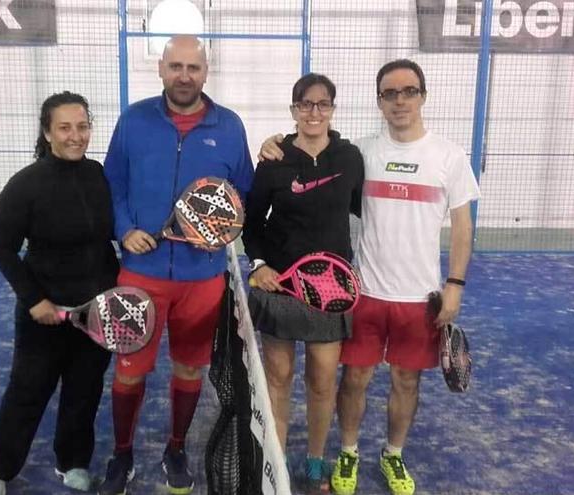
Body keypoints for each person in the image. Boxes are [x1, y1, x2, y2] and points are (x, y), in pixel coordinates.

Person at [259, 59, 480, 495]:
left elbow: (462, 226)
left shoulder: (449, 156)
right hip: (363, 291)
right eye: (390, 93)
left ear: (423, 96)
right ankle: (348, 452)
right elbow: (318, 168)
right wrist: (274, 143)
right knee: (354, 379)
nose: (399, 101)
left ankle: (393, 454)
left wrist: (455, 284)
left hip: (421, 296)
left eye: (408, 91)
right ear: (379, 101)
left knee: (406, 380)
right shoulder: (361, 154)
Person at [99, 35, 254, 495]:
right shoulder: (133, 120)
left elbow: (240, 192)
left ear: (206, 72)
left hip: (202, 279)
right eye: (176, 66)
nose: (185, 75)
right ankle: (122, 454)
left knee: (189, 369)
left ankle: (177, 448)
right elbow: (113, 184)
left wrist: (217, 231)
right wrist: (124, 228)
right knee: (129, 371)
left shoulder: (229, 126)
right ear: (161, 69)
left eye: (194, 67)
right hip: (139, 272)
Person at [0, 92, 120, 495]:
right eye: (65, 127)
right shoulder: (27, 184)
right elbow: (2, 246)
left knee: (84, 392)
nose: (76, 136)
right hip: (45, 314)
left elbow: (109, 235)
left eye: (82, 126)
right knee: (27, 392)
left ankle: (72, 462)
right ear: (47, 132)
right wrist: (34, 300)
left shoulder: (97, 175)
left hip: (95, 312)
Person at [243, 73, 363, 494]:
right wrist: (258, 265)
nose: (314, 112)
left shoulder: (350, 158)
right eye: (305, 104)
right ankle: (274, 461)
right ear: (293, 110)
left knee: (322, 380)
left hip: (330, 288)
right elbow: (252, 223)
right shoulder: (273, 160)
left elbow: (364, 211)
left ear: (332, 108)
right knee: (279, 376)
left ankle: (314, 462)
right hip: (281, 286)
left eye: (323, 104)